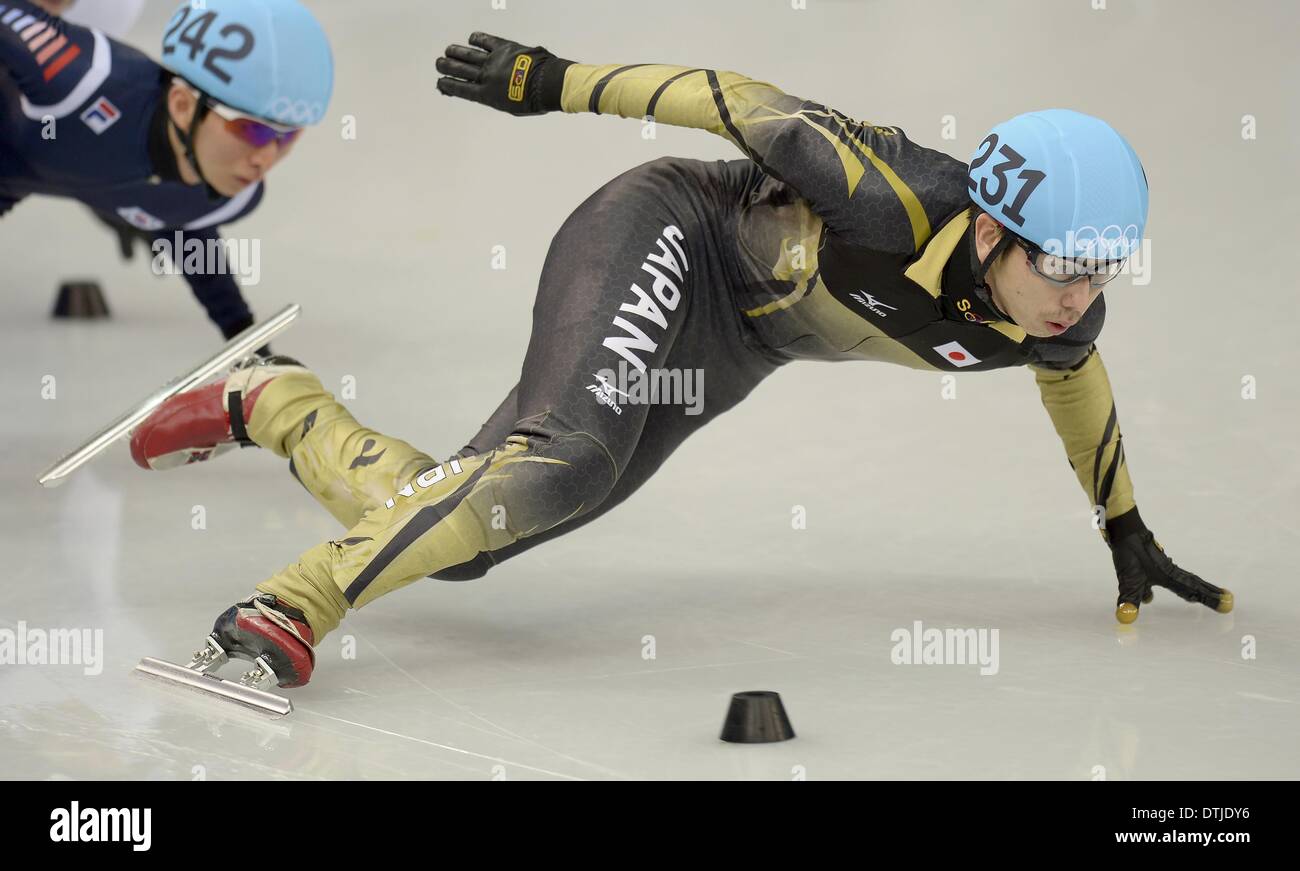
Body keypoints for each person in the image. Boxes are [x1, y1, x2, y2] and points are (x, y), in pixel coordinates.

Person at [128, 33, 1231, 691]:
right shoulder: (890, 192)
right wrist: (550, 78)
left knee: (475, 527)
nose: (1080, 300)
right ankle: (290, 603)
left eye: (1104, 274)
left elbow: (1076, 383)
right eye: (1066, 268)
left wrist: (1122, 525)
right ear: (989, 228)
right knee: (557, 464)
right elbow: (729, 99)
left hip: (733, 342)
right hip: (668, 233)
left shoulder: (1058, 320)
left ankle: (274, 404)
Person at [1, 0, 332, 340]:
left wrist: (246, 343)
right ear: (183, 105)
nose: (265, 158)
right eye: (250, 129)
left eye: (288, 135)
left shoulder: (229, 194)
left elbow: (184, 223)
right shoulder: (81, 75)